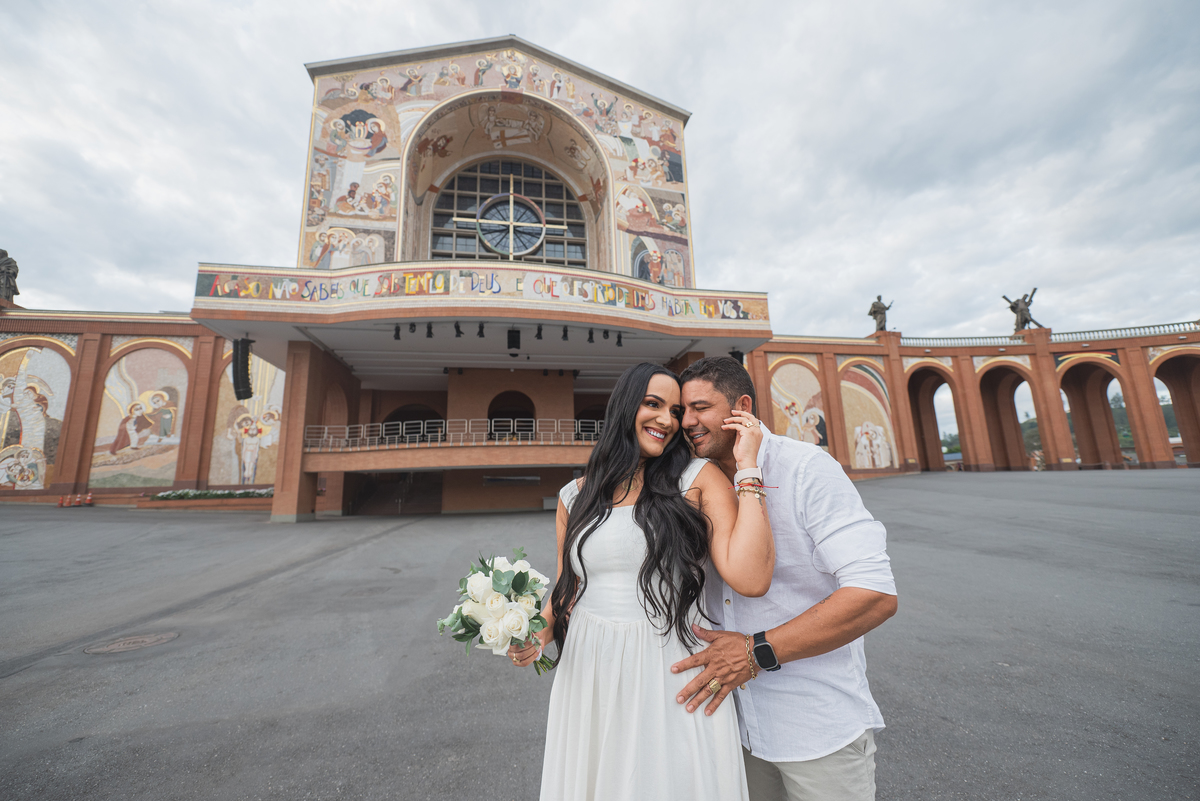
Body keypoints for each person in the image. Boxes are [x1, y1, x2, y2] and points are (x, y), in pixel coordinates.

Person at [508, 362, 777, 800]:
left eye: (674, 411)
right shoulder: (574, 496)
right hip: (590, 667)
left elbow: (751, 577)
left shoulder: (696, 480)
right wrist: (533, 636)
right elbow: (567, 587)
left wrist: (747, 468)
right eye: (653, 404)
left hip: (669, 665)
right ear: (624, 407)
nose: (668, 421)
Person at [672, 356, 898, 801]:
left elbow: (874, 594)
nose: (688, 422)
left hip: (815, 727)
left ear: (741, 406)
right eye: (683, 411)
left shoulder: (806, 469)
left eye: (700, 407)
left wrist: (758, 651)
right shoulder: (687, 483)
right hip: (728, 727)